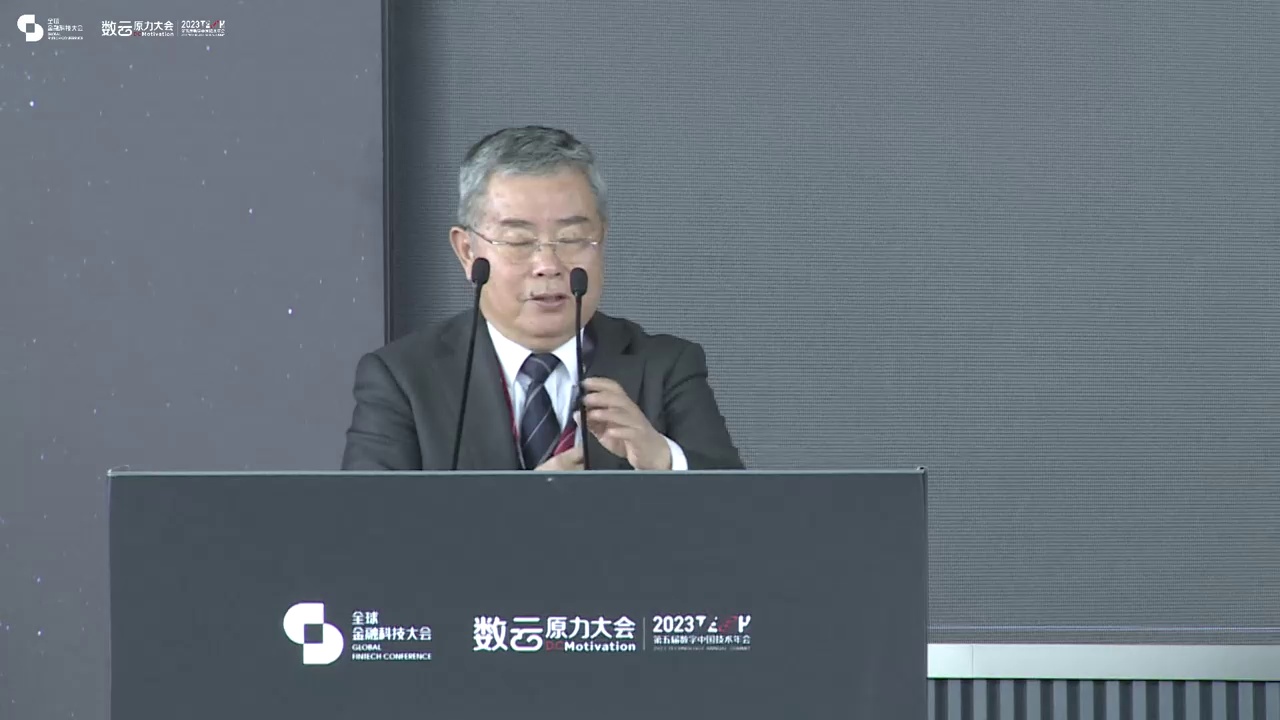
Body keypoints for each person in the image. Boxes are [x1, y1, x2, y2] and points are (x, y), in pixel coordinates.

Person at [340, 126, 743, 472]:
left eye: (571, 238)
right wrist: (523, 512)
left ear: (601, 239)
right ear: (467, 252)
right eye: (519, 241)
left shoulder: (665, 368)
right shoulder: (404, 380)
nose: (548, 265)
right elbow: (369, 527)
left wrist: (665, 459)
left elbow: (742, 515)